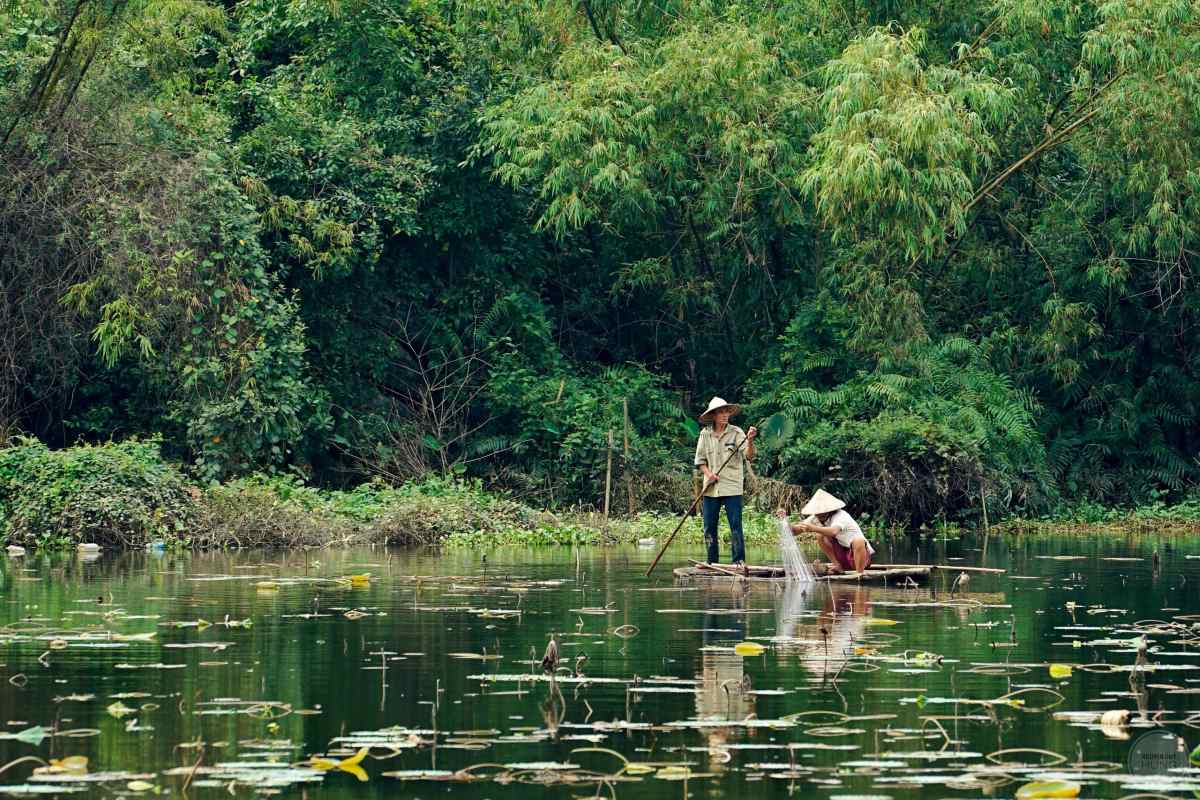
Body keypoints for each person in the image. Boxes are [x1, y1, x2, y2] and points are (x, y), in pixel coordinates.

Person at [693, 397, 756, 566]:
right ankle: (711, 561)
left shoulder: (736, 432)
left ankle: (739, 561)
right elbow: (700, 461)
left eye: (726, 411)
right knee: (709, 527)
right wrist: (709, 474)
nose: (724, 415)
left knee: (735, 526)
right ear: (713, 415)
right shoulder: (705, 434)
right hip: (710, 488)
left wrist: (750, 440)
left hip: (732, 487)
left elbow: (749, 456)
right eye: (720, 412)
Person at [785, 489, 874, 574]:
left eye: (822, 511)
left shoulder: (841, 515)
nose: (819, 514)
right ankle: (837, 565)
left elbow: (834, 531)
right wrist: (784, 521)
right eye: (817, 511)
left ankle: (859, 575)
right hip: (844, 557)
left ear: (830, 510)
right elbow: (795, 531)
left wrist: (813, 528)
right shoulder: (816, 518)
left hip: (861, 558)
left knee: (858, 541)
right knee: (820, 536)